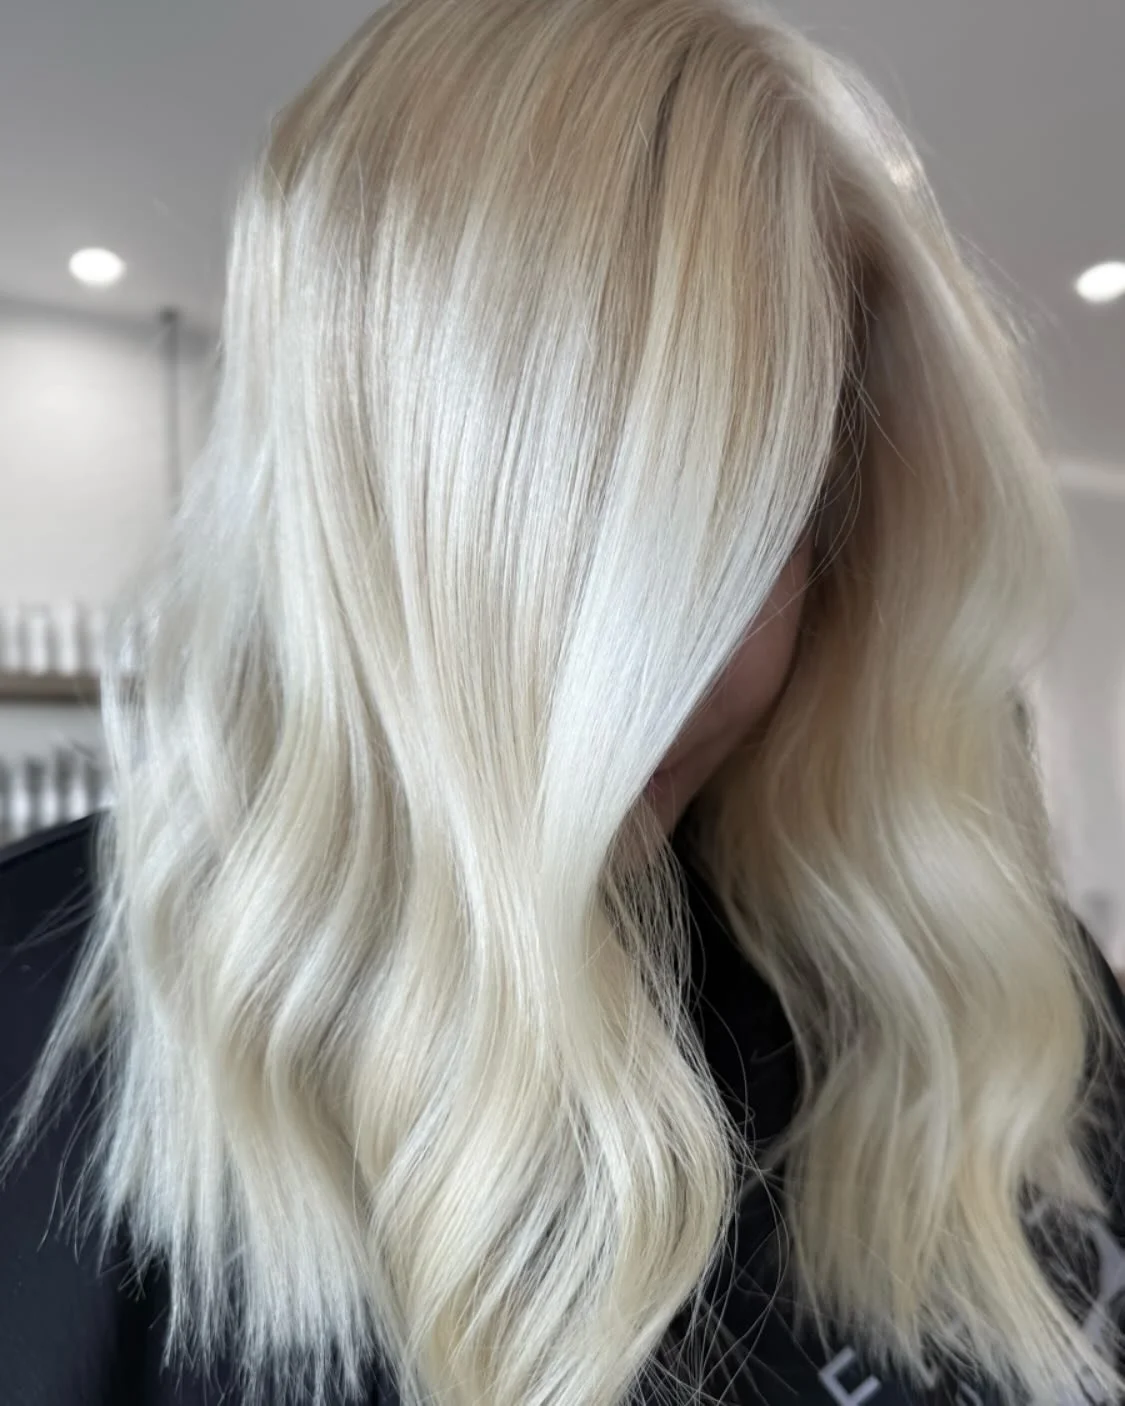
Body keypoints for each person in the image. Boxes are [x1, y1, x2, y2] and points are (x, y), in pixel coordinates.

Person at [3, 1, 1125, 1403]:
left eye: (752, 517)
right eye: (561, 503)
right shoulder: (47, 1023)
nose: (647, 681)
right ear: (352, 482)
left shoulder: (990, 994)